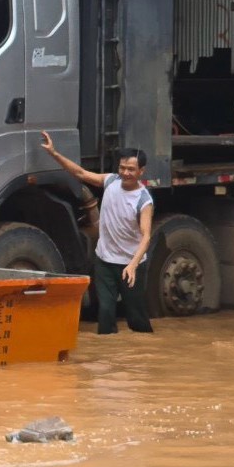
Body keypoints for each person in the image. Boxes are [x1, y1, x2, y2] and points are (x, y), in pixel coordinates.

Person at [42, 132, 154, 334]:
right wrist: (54, 153)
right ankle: (108, 359)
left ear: (141, 172)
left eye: (131, 169)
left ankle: (145, 355)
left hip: (131, 265)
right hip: (104, 262)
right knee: (106, 313)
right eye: (122, 168)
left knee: (137, 319)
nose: (125, 173)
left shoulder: (143, 201)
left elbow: (146, 236)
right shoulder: (110, 182)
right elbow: (81, 174)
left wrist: (133, 265)